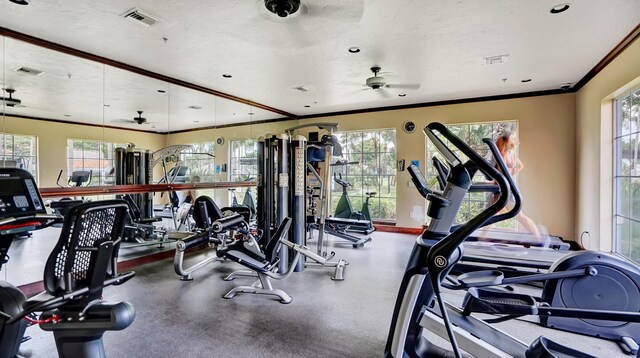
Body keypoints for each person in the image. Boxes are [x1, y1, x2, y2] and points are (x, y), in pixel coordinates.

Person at [494, 134, 541, 238]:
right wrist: (510, 176)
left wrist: (504, 178)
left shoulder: (502, 156)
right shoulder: (510, 155)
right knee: (492, 213)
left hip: (505, 188)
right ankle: (483, 236)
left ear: (501, 144)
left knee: (520, 216)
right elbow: (520, 166)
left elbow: (501, 174)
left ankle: (538, 238)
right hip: (505, 186)